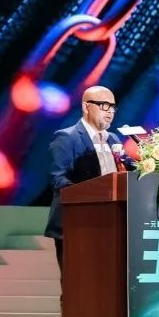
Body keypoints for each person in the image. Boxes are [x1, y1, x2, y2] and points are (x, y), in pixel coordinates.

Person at [43, 85, 135, 276]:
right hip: (77, 223)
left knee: (106, 281)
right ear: (86, 107)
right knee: (78, 282)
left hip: (111, 223)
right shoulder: (66, 137)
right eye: (104, 105)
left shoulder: (113, 139)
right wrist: (94, 194)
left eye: (113, 107)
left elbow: (126, 168)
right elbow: (58, 179)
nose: (110, 112)